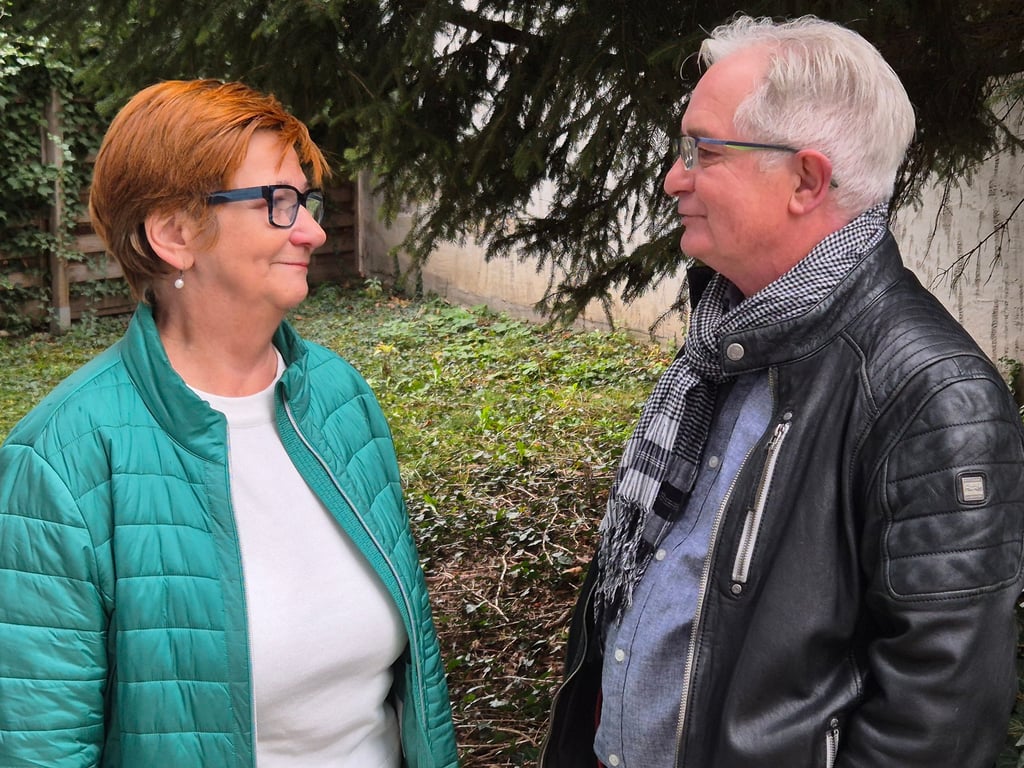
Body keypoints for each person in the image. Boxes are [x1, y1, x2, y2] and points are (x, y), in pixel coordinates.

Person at [540, 14, 1024, 768]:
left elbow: (938, 725)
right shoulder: (728, 333)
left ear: (806, 179)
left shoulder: (931, 396)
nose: (673, 177)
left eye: (702, 151)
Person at [0, 79, 458, 768]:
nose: (312, 229)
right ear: (175, 234)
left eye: (304, 201)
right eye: (278, 203)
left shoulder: (338, 397)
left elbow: (414, 681)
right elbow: (40, 749)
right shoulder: (59, 463)